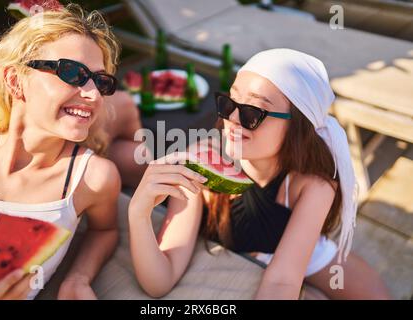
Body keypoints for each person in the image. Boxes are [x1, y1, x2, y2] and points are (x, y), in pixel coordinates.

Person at [128, 48, 391, 299]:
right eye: (230, 102)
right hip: (253, 260)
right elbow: (159, 282)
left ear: (298, 127)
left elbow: (283, 279)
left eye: (253, 112)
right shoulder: (201, 163)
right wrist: (138, 213)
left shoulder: (313, 186)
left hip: (307, 256)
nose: (232, 119)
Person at [0, 5, 121, 300]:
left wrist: (78, 278)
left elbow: (105, 231)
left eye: (101, 81)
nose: (93, 94)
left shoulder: (94, 179)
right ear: (15, 80)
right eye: (73, 73)